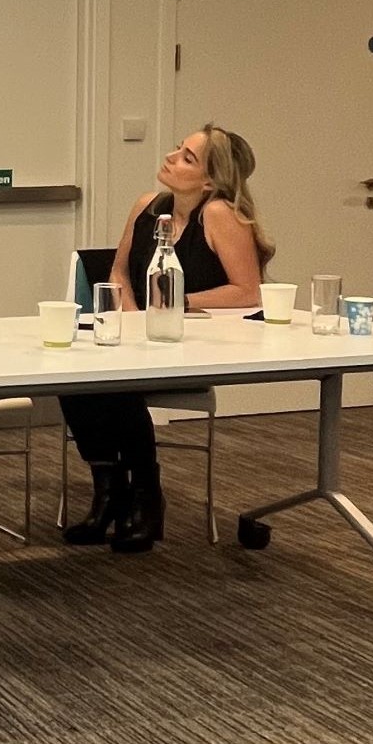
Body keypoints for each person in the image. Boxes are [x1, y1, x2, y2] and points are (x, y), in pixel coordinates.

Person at [61, 124, 272, 553]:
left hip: (195, 342)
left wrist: (178, 302)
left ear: (210, 180)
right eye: (178, 149)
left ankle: (145, 494)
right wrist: (133, 315)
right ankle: (108, 490)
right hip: (145, 336)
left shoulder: (218, 215)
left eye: (187, 158)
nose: (172, 158)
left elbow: (246, 291)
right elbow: (118, 271)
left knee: (116, 383)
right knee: (71, 370)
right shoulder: (146, 207)